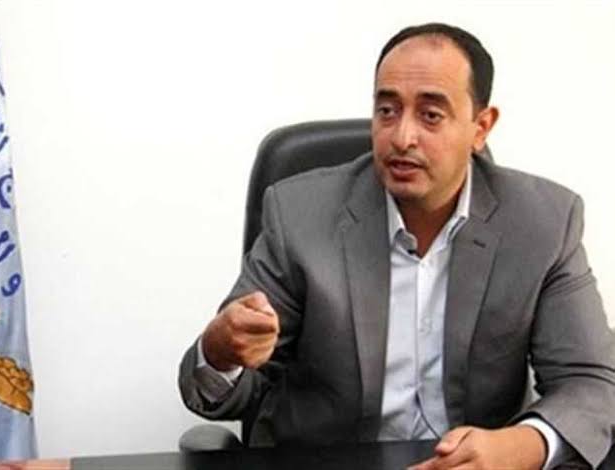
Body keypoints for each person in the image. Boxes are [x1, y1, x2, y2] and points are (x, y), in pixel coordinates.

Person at [179, 23, 615, 469]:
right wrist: (220, 355)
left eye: (431, 115)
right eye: (387, 110)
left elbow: (592, 382)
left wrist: (520, 448)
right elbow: (235, 387)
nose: (402, 137)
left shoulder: (544, 223)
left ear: (481, 127)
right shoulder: (299, 214)